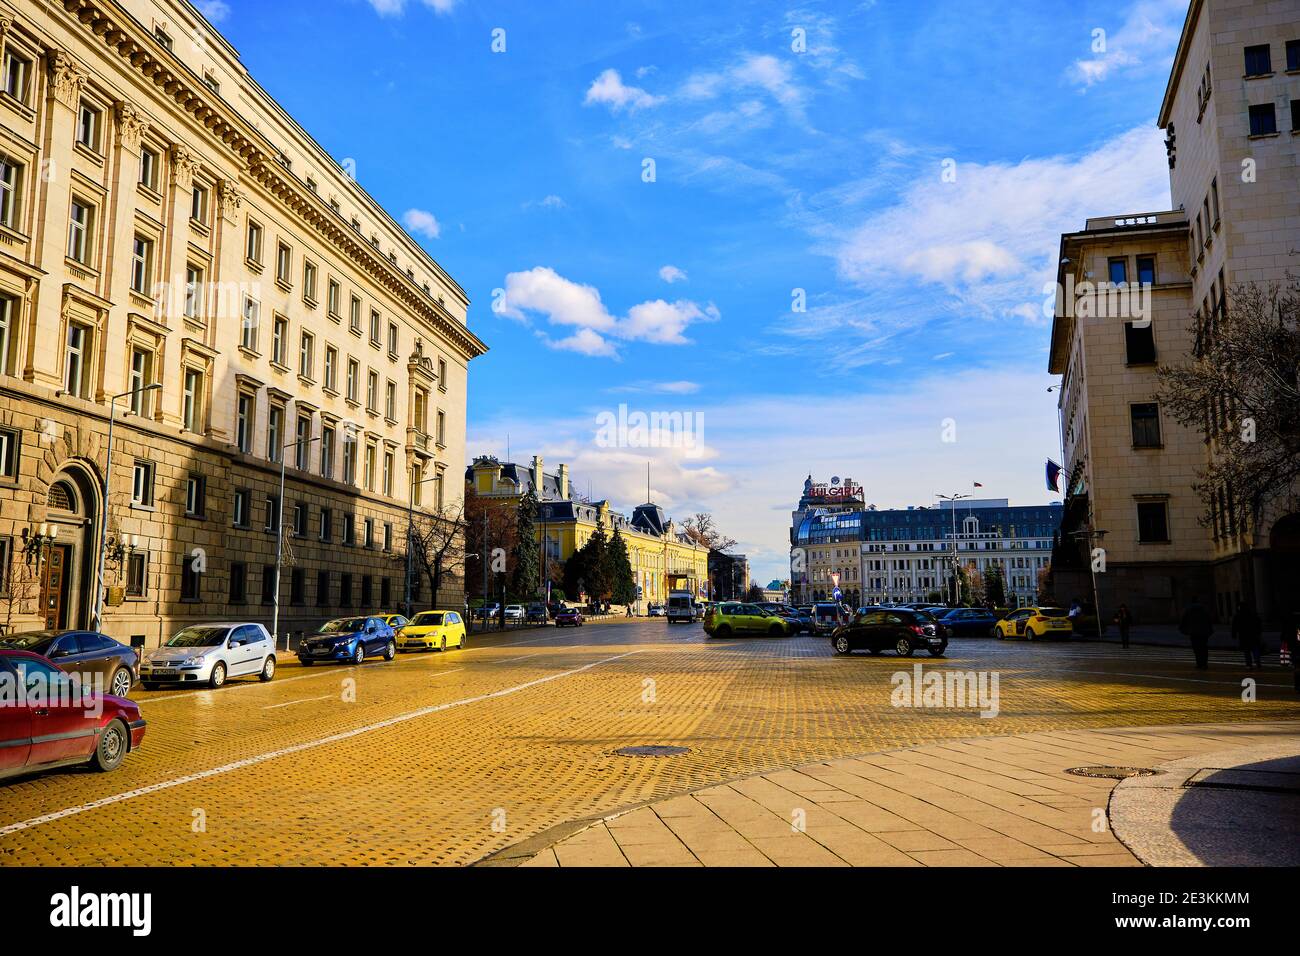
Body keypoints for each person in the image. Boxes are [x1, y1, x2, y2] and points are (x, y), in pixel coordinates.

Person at [1179, 596, 1214, 670]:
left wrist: (1183, 629)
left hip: (1193, 632)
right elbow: (1209, 619)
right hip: (1204, 631)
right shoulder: (1204, 609)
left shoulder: (1188, 609)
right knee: (1204, 648)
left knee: (1196, 648)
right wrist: (1210, 630)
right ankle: (1204, 664)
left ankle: (1199, 663)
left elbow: (1183, 620)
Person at [1231, 600, 1263, 670]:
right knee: (1255, 649)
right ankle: (1258, 663)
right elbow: (1258, 624)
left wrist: (1234, 634)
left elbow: (1234, 626)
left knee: (1247, 651)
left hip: (1244, 636)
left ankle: (1249, 664)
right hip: (1253, 635)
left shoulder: (1238, 615)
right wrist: (1259, 632)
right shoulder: (1252, 614)